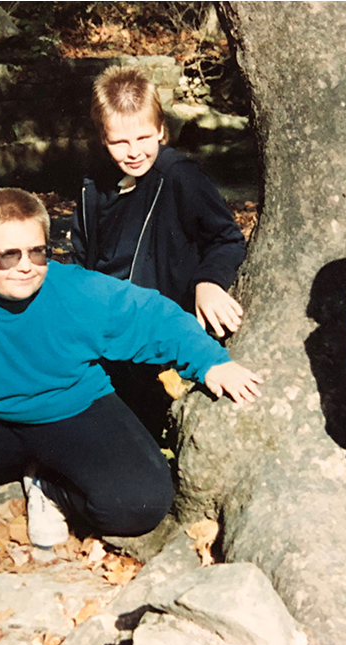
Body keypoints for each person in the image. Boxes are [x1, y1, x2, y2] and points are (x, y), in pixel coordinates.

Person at [0, 188, 263, 620]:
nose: (26, 266)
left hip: (72, 410)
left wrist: (210, 363)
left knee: (141, 503)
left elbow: (152, 316)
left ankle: (48, 485)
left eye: (38, 251)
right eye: (8, 256)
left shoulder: (76, 290)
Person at [70, 65, 248, 434]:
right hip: (101, 327)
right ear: (103, 138)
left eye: (144, 138)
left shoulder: (179, 176)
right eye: (120, 142)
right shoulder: (93, 185)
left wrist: (208, 282)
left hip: (152, 331)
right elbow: (80, 257)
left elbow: (227, 237)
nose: (134, 152)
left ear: (161, 130)